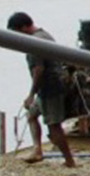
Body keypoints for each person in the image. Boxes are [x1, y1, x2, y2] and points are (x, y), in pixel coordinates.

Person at [7, 12, 77, 167]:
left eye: (17, 32)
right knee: (32, 115)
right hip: (50, 85)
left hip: (50, 87)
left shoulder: (35, 42)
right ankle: (38, 150)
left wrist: (31, 94)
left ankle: (69, 160)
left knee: (54, 125)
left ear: (24, 27)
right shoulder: (44, 35)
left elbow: (39, 69)